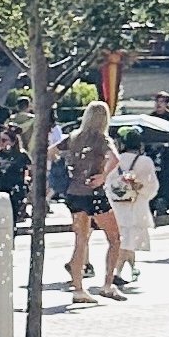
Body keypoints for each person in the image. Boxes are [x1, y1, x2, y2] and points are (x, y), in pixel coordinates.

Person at [57, 101, 127, 303]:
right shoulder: (102, 139)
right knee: (114, 238)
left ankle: (78, 289)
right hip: (94, 193)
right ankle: (107, 284)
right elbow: (115, 159)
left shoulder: (73, 137)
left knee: (81, 240)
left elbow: (52, 150)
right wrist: (103, 176)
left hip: (74, 192)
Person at [108, 126, 159, 286]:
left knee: (124, 240)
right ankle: (117, 272)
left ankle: (130, 269)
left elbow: (108, 184)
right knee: (129, 241)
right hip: (137, 206)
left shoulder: (114, 160)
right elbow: (153, 187)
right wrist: (140, 191)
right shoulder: (145, 161)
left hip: (117, 206)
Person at [0, 123, 31, 226]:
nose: (1, 143)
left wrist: (27, 184)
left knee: (12, 218)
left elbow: (30, 170)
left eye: (4, 140)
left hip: (15, 191)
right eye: (0, 140)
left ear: (13, 142)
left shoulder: (21, 155)